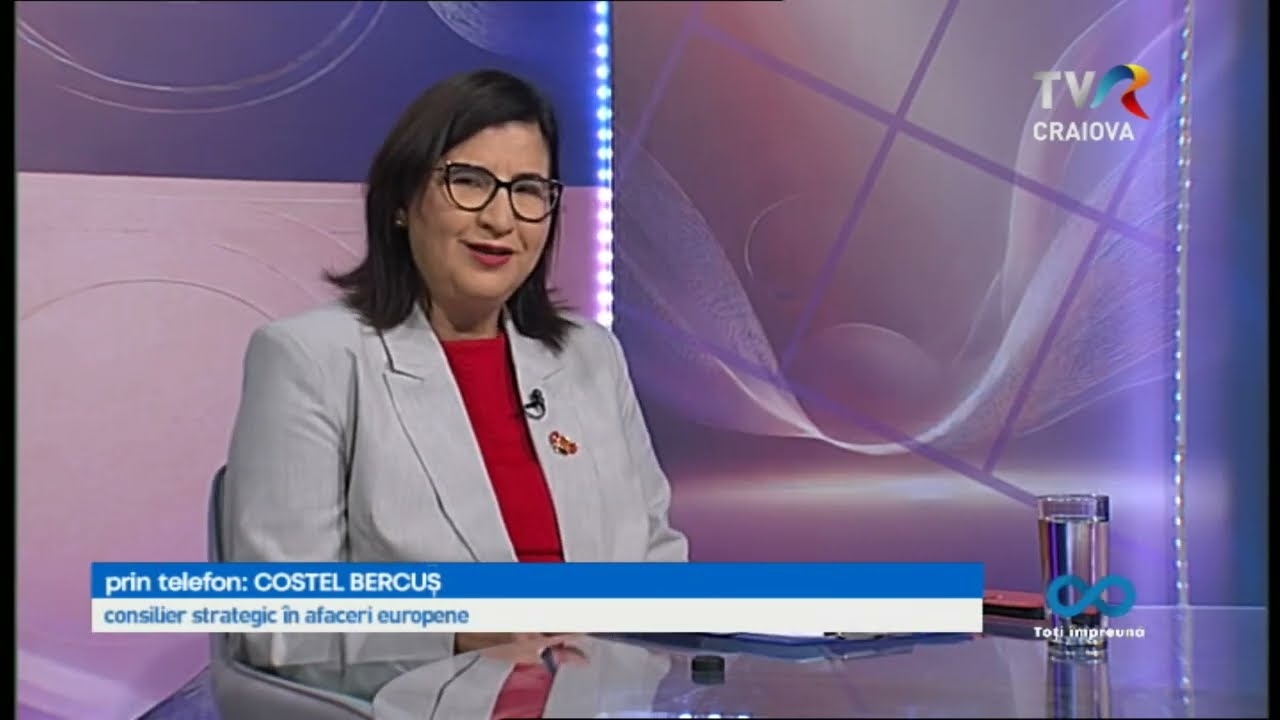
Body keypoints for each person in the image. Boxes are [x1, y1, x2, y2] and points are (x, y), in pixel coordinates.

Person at [220, 68, 688, 695]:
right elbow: (275, 617)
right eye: (468, 182)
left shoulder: (591, 356)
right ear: (401, 202)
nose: (500, 218)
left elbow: (657, 558)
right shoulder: (311, 359)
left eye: (527, 190)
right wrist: (454, 630)